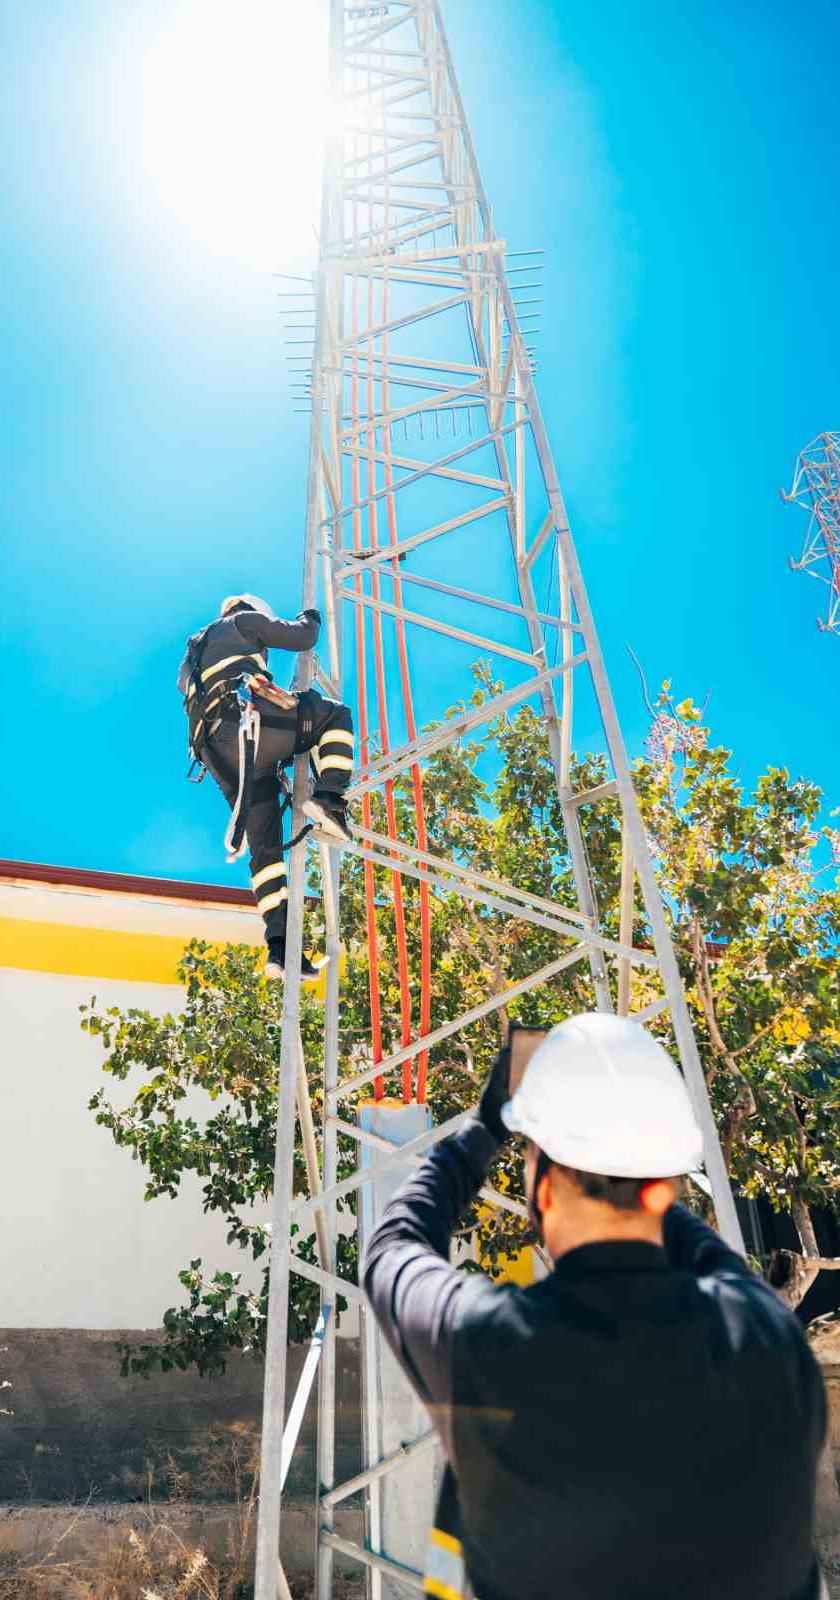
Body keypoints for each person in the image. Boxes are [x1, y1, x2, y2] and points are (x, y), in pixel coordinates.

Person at [362, 1012, 827, 1600]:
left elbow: (394, 1246)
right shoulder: (773, 1342)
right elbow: (713, 1260)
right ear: (664, 1185)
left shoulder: (494, 1346)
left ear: (544, 1190)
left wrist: (485, 1128)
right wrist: (632, 1168)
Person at [179, 593, 354, 980]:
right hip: (245, 726)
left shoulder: (192, 657)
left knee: (264, 850)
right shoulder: (243, 622)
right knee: (334, 717)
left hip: (221, 756)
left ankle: (281, 947)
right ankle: (330, 799)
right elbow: (302, 637)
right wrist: (311, 616)